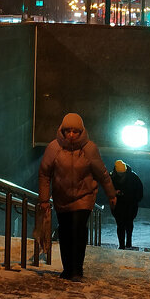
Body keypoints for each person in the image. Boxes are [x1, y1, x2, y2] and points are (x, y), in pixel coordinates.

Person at [38, 112, 117, 282]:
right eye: (68, 131)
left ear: (82, 132)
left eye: (75, 131)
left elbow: (102, 173)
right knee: (65, 232)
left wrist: (111, 194)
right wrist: (44, 199)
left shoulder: (89, 149)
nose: (72, 135)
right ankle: (68, 269)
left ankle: (77, 269)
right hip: (62, 198)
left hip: (84, 196)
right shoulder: (54, 148)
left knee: (78, 229)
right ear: (62, 130)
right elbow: (44, 174)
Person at [110, 159, 144, 249]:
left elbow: (140, 192)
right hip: (120, 205)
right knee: (121, 225)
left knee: (127, 224)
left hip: (130, 205)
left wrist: (134, 199)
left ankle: (127, 242)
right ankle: (123, 244)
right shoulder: (132, 176)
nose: (121, 175)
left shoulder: (132, 177)